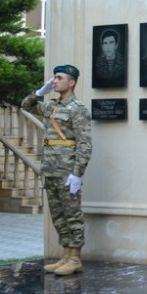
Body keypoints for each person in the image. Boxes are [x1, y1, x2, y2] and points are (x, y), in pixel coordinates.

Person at [21, 65, 92, 276]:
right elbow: (25, 105)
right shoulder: (50, 107)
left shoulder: (78, 109)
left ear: (72, 83)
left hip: (67, 170)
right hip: (50, 169)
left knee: (72, 215)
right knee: (58, 215)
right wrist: (39, 93)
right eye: (55, 77)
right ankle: (66, 255)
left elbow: (85, 144)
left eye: (60, 78)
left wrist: (77, 173)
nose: (55, 81)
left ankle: (75, 258)